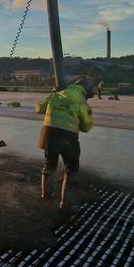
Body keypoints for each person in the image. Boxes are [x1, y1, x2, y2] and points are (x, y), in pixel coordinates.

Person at [35, 78, 94, 212]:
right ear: (86, 90)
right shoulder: (82, 101)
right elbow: (86, 127)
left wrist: (52, 95)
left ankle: (46, 194)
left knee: (49, 163)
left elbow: (38, 109)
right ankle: (65, 204)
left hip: (48, 133)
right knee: (71, 168)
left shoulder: (57, 94)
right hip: (68, 137)